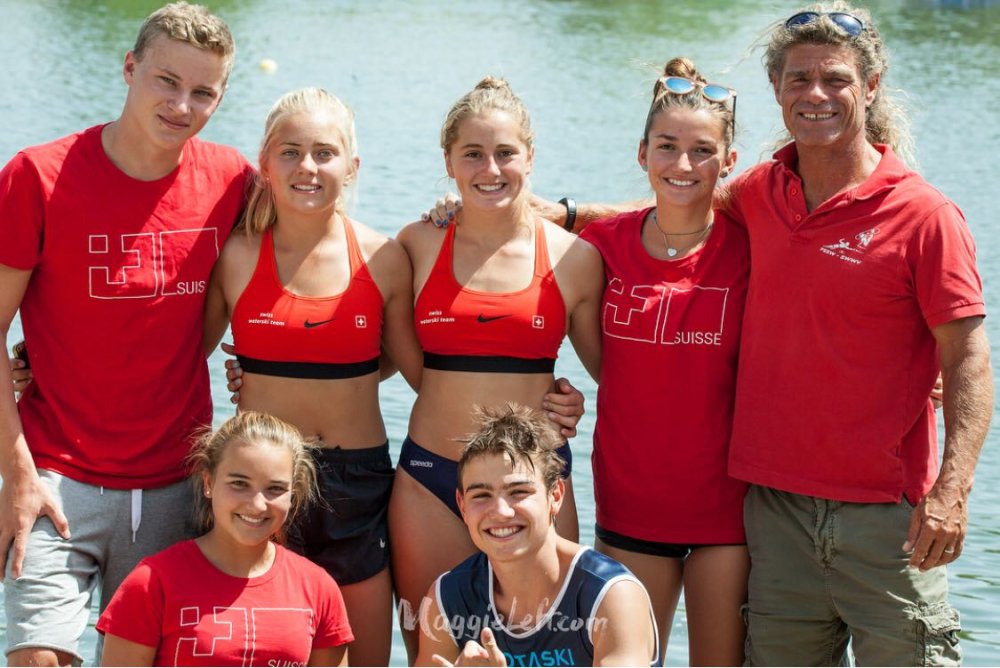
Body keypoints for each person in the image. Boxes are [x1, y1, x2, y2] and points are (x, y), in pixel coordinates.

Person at [724, 4, 992, 664]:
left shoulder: (925, 215)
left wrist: (951, 496)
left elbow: (968, 359)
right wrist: (544, 213)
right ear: (778, 90)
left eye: (836, 79)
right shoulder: (760, 193)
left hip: (891, 525)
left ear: (871, 87)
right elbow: (668, 215)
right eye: (798, 78)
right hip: (776, 515)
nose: (815, 94)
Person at [0, 3, 253, 665]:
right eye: (166, 81)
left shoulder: (230, 181)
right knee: (38, 657)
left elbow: (324, 232)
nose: (182, 104)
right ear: (130, 67)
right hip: (57, 476)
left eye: (203, 92)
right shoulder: (38, 176)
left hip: (177, 480)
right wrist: (18, 475)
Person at [201, 86, 421, 666]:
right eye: (291, 151)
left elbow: (420, 366)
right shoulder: (237, 256)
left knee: (363, 654)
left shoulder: (382, 256)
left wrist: (537, 397)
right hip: (259, 482)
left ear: (352, 166)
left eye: (325, 152)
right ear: (265, 163)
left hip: (358, 481)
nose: (308, 167)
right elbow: (175, 353)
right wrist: (39, 365)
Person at [390, 76, 604, 659]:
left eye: (506, 152)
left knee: (549, 652)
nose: (491, 168)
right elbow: (382, 351)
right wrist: (254, 369)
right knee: (430, 653)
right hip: (430, 478)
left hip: (535, 480)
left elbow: (616, 371)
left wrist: (573, 398)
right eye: (473, 154)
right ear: (449, 163)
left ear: (530, 158)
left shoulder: (574, 259)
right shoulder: (417, 244)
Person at [574, 58, 750, 665]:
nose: (682, 165)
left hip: (727, 510)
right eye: (667, 147)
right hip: (631, 499)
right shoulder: (600, 245)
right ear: (641, 153)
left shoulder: (755, 246)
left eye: (702, 150)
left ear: (728, 162)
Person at [97, 411, 354, 666]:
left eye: (275, 489)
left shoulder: (319, 588)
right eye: (239, 484)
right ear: (208, 482)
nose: (257, 505)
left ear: (293, 494)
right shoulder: (150, 584)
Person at [416, 403, 657, 667]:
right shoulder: (447, 598)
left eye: (518, 492)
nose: (500, 511)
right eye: (481, 495)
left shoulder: (611, 595)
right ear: (462, 507)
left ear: (555, 496)